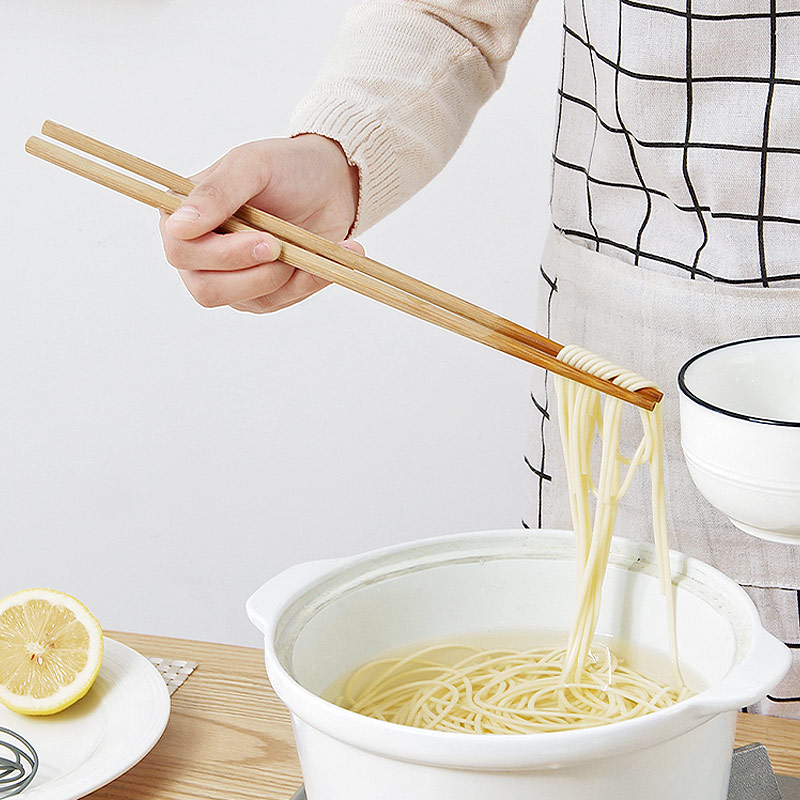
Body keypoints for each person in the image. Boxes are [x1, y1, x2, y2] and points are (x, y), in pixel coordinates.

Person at [159, 0, 800, 715]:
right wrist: (338, 152)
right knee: (624, 717)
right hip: (634, 367)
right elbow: (449, 14)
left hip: (643, 348)